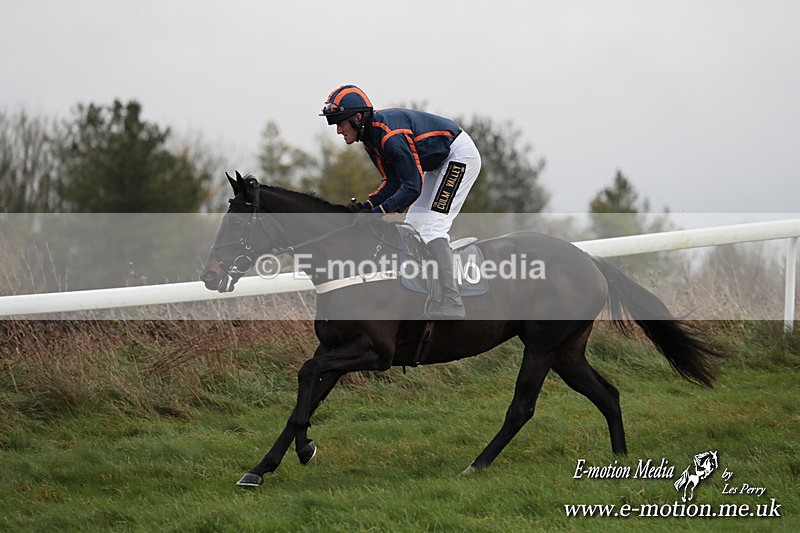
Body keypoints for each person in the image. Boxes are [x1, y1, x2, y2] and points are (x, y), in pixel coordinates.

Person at [320, 84, 482, 319]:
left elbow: (412, 187)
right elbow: (393, 182)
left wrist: (378, 212)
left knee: (432, 229)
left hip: (458, 157)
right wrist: (368, 206)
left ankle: (452, 300)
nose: (338, 131)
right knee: (411, 229)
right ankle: (424, 292)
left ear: (357, 117)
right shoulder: (370, 138)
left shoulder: (389, 136)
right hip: (436, 164)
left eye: (340, 122)